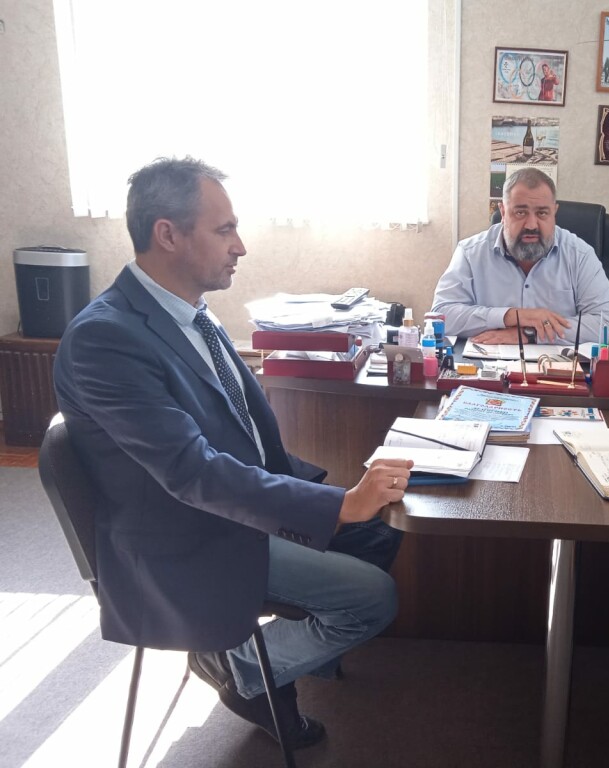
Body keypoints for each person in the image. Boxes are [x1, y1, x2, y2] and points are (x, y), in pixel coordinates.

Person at [53, 157, 414, 750]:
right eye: (224, 230)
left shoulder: (190, 312)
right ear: (168, 234)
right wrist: (336, 505)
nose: (240, 246)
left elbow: (244, 436)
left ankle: (277, 665)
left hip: (226, 510)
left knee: (382, 533)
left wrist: (333, 502)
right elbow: (192, 473)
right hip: (186, 537)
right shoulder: (105, 339)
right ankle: (240, 667)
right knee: (373, 598)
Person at [431, 167, 609, 345]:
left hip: (559, 365)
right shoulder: (470, 253)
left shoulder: (580, 255)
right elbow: (439, 317)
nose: (531, 225)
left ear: (554, 213)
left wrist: (529, 334)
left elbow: (607, 326)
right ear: (503, 212)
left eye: (542, 213)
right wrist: (511, 316)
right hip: (487, 362)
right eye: (520, 212)